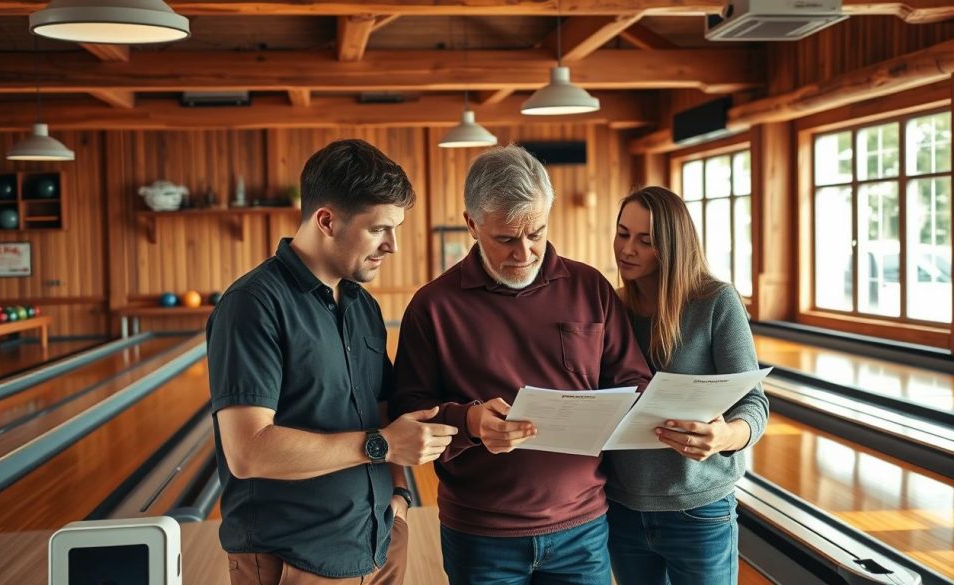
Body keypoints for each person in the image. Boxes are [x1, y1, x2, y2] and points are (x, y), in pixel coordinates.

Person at [390, 145, 652, 585]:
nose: (525, 252)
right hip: (481, 536)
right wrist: (470, 421)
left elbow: (633, 381)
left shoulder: (590, 287)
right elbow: (408, 410)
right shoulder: (432, 307)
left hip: (581, 529)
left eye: (537, 232)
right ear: (472, 224)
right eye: (507, 238)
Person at [207, 139, 458, 585]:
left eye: (396, 228)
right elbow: (247, 451)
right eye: (380, 228)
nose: (393, 245)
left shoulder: (363, 306)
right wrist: (380, 445)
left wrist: (398, 498)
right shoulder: (253, 305)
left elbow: (382, 410)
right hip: (295, 561)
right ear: (326, 220)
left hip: (379, 546)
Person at [605, 186, 769, 585]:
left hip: (698, 509)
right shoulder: (611, 306)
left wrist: (726, 435)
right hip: (622, 506)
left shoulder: (715, 302)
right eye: (623, 233)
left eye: (645, 241)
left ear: (673, 246)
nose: (627, 249)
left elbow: (753, 401)